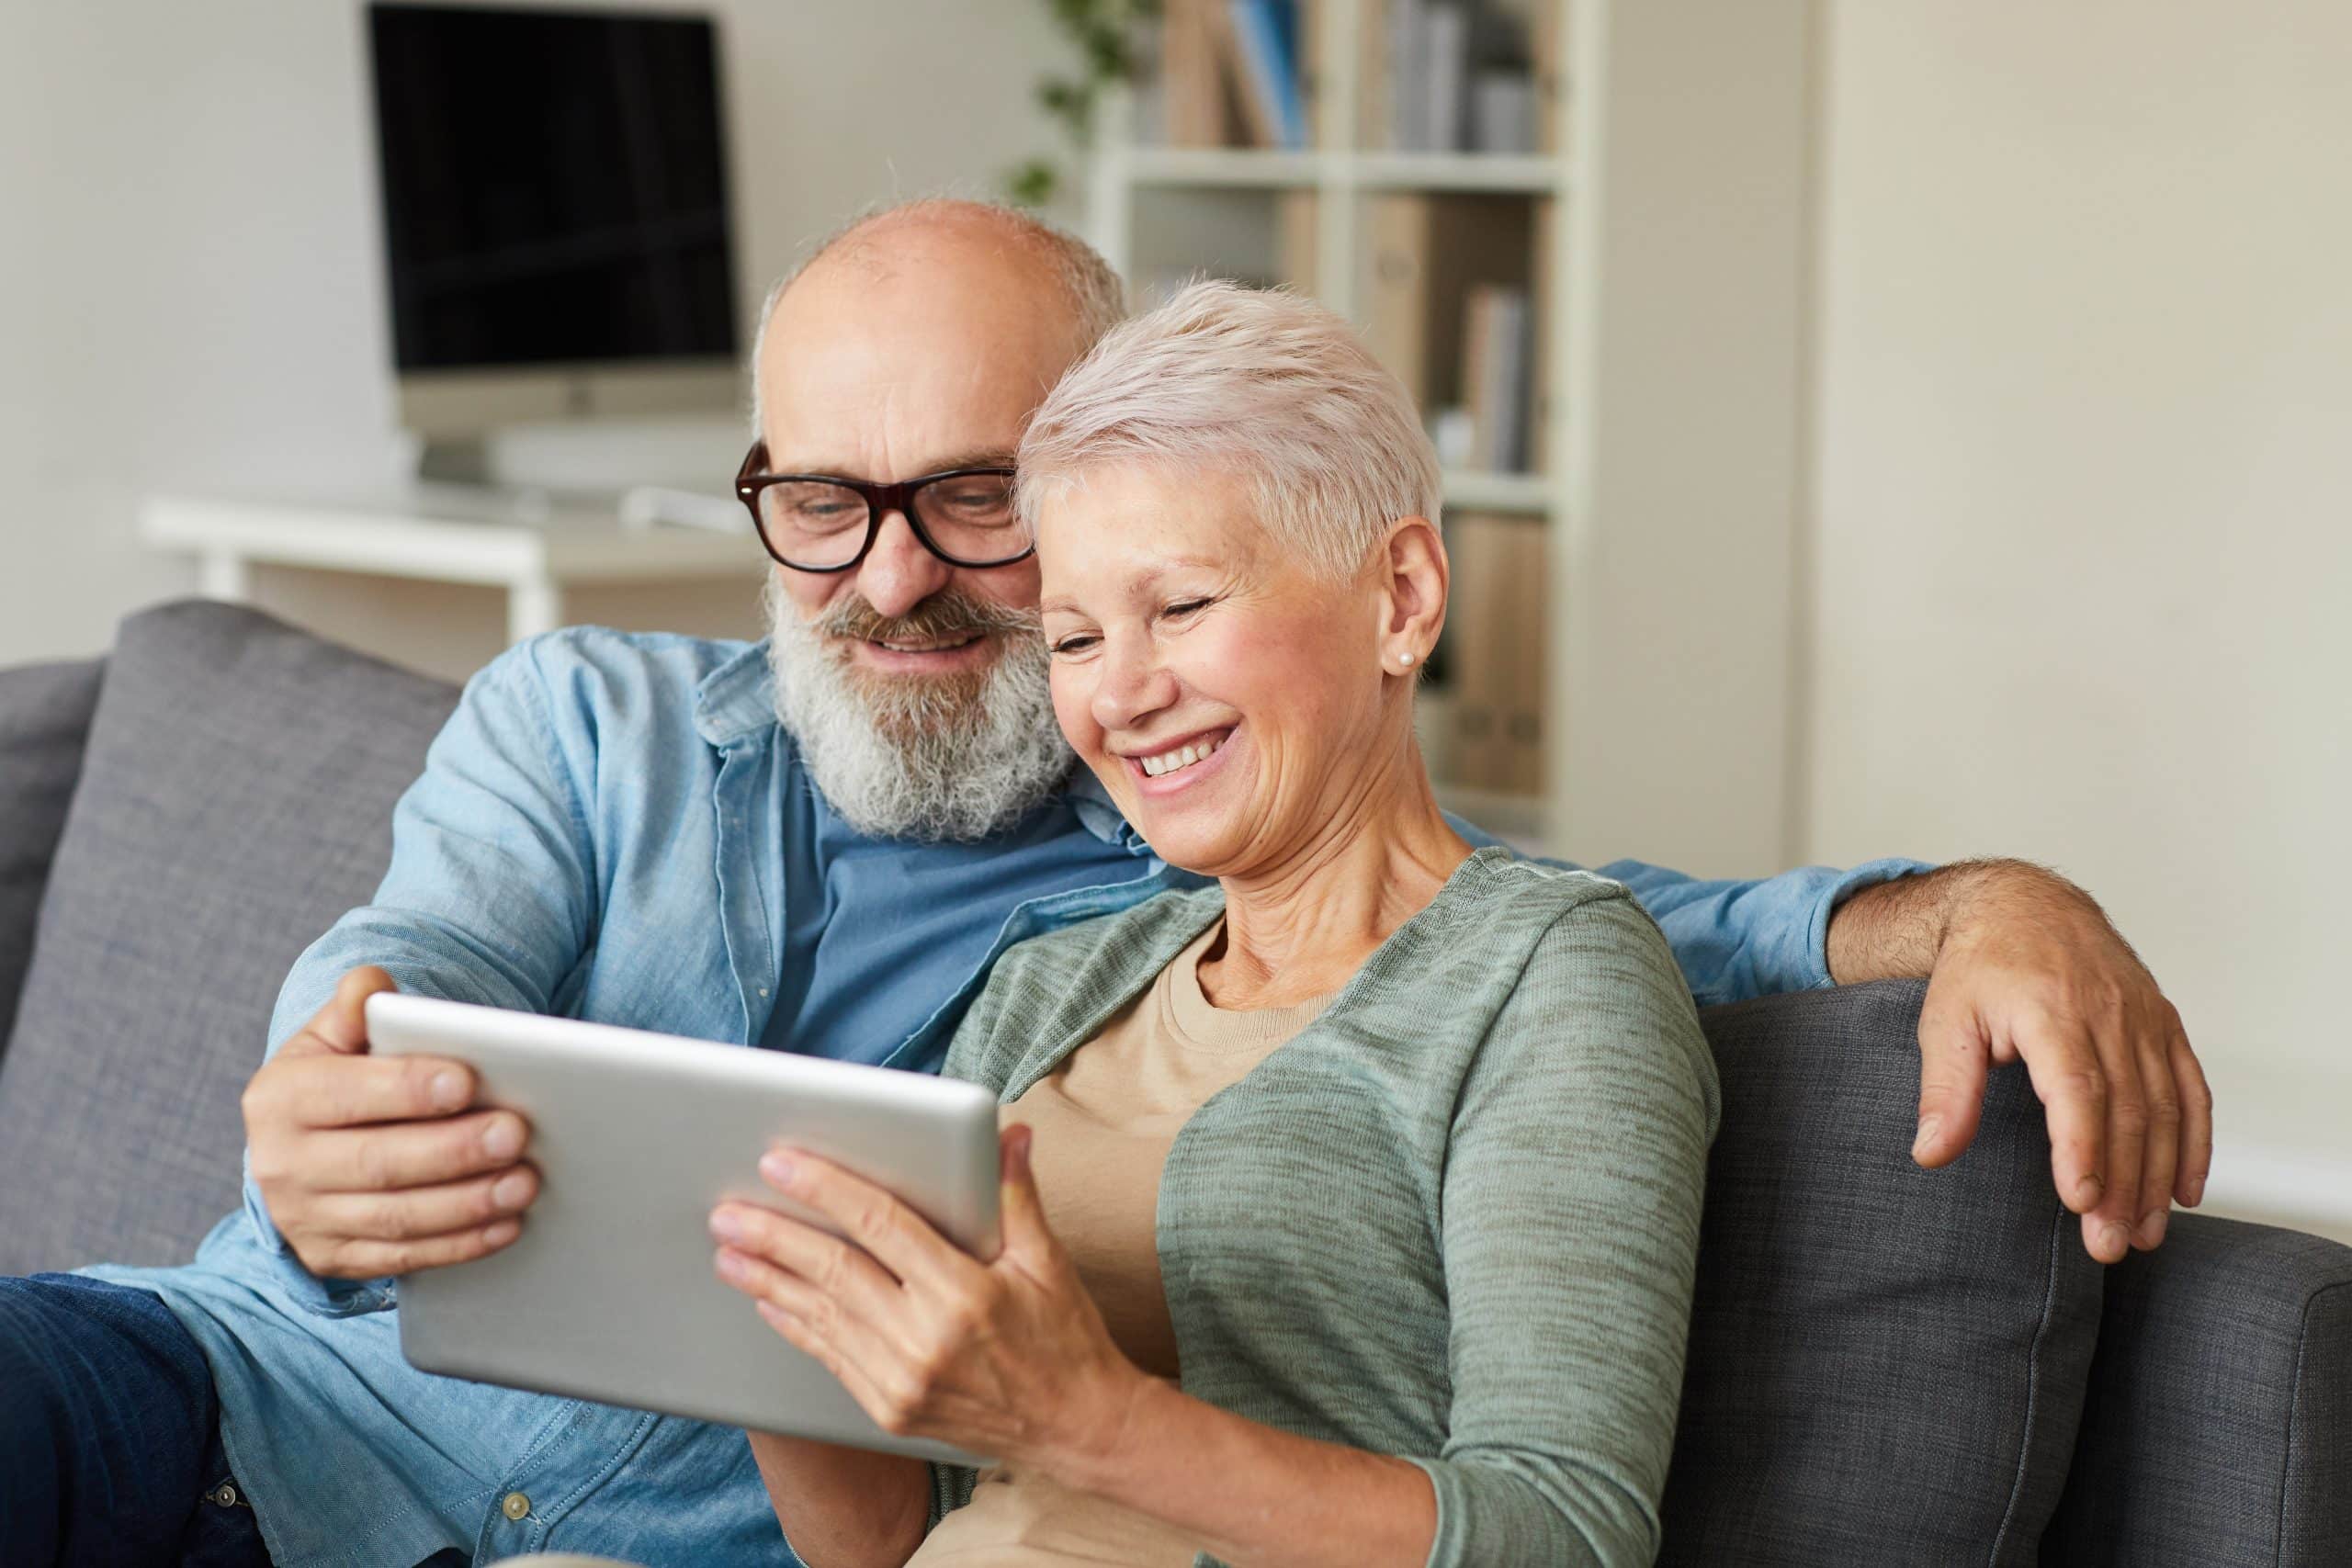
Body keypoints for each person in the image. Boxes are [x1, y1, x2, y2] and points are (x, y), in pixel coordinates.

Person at [0, 200, 2208, 1566]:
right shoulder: (601, 728)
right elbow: (423, 951)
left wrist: (1981, 899)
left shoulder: (1193, 865)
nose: (890, 582)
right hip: (243, 1391)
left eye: (973, 501)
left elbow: (1593, 927)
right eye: (821, 502)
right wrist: (332, 1062)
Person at [713, 277, 1718, 1567]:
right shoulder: (1055, 981)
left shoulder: (1549, 975)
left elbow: (1567, 1536)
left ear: (1402, 596)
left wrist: (1093, 1420)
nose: (1120, 694)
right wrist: (756, 1334)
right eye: (1073, 638)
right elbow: (891, 1541)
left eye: (1180, 608)